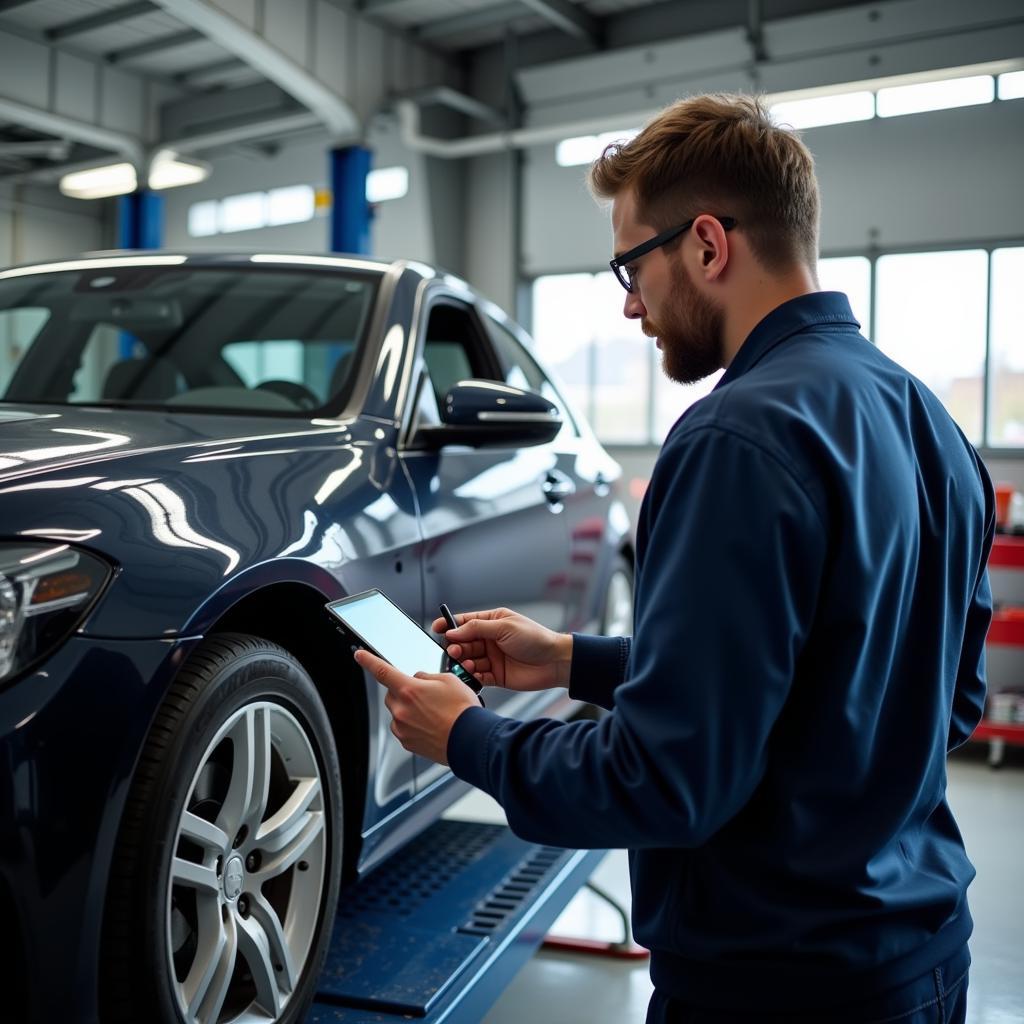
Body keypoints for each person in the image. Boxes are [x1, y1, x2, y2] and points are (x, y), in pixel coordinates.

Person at [353, 93, 994, 1023]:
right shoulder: (926, 420)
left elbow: (663, 785)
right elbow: (935, 692)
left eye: (630, 263)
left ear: (706, 245)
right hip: (921, 961)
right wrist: (579, 661)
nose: (628, 303)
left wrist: (469, 737)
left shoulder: (734, 438)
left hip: (772, 988)